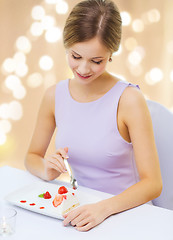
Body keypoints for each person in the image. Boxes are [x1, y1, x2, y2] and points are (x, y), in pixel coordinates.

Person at [25, 0, 162, 232]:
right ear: (66, 46)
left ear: (111, 54)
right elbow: (32, 156)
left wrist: (103, 208)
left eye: (96, 61)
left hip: (126, 214)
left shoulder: (128, 99)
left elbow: (153, 184)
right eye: (75, 56)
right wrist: (46, 169)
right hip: (81, 212)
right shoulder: (54, 95)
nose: (83, 69)